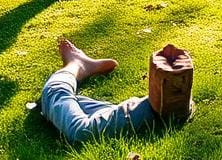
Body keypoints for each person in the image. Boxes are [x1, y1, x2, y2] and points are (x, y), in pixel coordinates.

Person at [40, 40, 191, 142]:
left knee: (57, 98)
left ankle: (77, 65)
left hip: (155, 112)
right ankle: (76, 65)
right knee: (59, 101)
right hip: (152, 111)